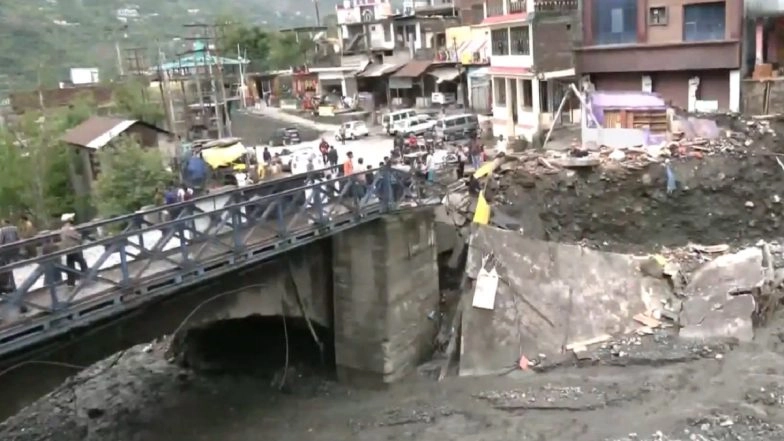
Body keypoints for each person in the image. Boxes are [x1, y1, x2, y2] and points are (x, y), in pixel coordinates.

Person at [59, 213, 87, 288]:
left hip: (68, 250)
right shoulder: (70, 228)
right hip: (74, 249)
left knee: (70, 266)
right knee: (82, 263)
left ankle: (71, 282)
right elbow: (77, 236)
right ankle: (87, 277)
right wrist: (81, 236)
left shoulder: (62, 228)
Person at [0, 219, 19, 295]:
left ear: (5, 222)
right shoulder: (15, 228)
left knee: (5, 265)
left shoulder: (2, 230)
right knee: (9, 266)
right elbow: (18, 237)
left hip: (6, 249)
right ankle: (11, 285)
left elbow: (1, 240)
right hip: (14, 248)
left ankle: (8, 285)